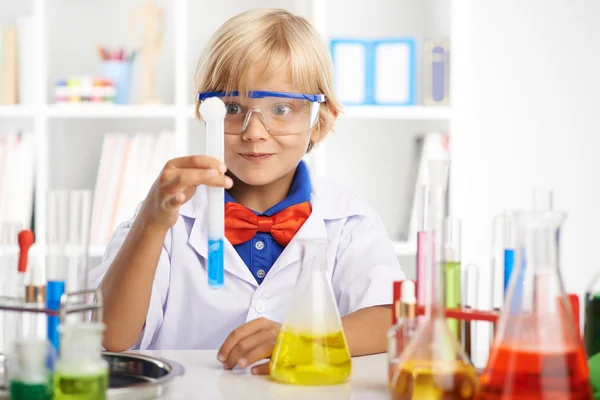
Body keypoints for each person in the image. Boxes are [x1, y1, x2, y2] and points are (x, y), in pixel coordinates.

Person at [89, 8, 404, 375]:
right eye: (233, 108)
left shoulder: (349, 220)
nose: (254, 131)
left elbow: (390, 320)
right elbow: (112, 337)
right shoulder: (166, 218)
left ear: (322, 120)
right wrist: (152, 224)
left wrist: (302, 340)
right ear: (204, 114)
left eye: (281, 108)